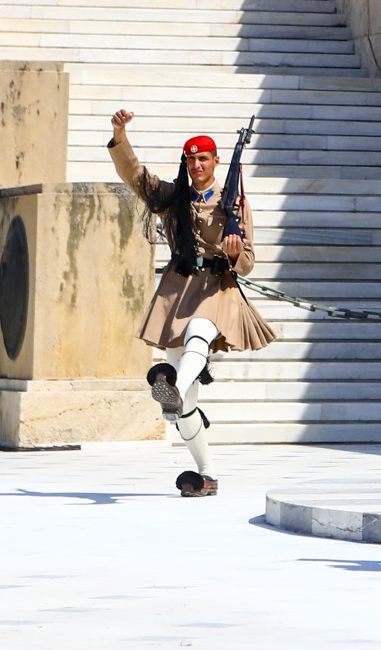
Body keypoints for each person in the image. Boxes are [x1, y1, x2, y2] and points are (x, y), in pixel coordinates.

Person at [107, 109, 278, 496]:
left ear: (216, 161)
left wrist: (235, 253)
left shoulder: (234, 203)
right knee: (184, 411)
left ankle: (176, 387)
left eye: (204, 158)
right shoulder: (173, 198)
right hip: (179, 289)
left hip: (217, 288)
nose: (197, 165)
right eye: (191, 159)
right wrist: (120, 136)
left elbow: (248, 263)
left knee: (200, 335)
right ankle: (207, 473)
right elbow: (135, 175)